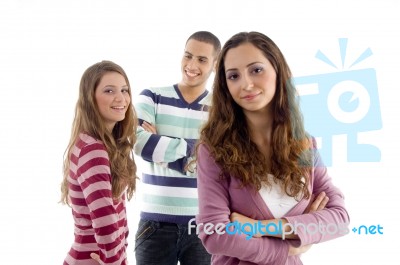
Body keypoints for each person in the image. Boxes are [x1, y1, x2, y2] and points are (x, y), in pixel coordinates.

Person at [196, 31, 350, 265]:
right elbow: (214, 234)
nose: (246, 84)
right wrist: (291, 246)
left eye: (256, 70)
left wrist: (260, 228)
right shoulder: (214, 150)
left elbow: (339, 218)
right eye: (234, 76)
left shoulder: (304, 144)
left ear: (278, 71)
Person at [133, 31, 221, 265]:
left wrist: (160, 146)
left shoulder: (221, 110)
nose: (192, 65)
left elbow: (221, 162)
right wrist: (197, 152)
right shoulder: (152, 96)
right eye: (188, 56)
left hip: (203, 226)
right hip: (155, 226)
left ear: (216, 64)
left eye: (202, 60)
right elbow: (136, 141)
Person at [61, 60, 138, 265]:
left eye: (124, 90)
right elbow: (104, 220)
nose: (121, 98)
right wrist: (113, 260)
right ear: (90, 98)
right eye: (109, 91)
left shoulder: (97, 143)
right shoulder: (93, 149)